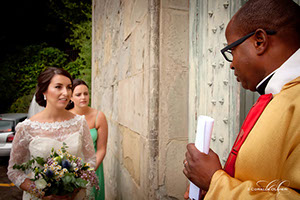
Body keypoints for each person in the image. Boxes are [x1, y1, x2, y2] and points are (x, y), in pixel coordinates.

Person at [183, 0, 300, 199]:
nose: (231, 65)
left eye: (231, 50)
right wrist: (211, 188)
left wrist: (215, 182)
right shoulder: (278, 95)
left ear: (260, 41)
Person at [7, 67, 96, 200]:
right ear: (44, 91)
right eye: (58, 87)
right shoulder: (27, 128)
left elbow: (90, 160)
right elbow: (14, 171)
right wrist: (42, 194)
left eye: (69, 87)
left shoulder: (80, 123)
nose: (66, 93)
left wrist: (77, 186)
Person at [66, 79, 108, 200]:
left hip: (94, 167)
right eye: (78, 94)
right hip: (71, 168)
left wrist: (88, 172)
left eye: (86, 93)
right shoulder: (65, 116)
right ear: (71, 98)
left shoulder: (99, 116)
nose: (83, 97)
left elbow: (101, 149)